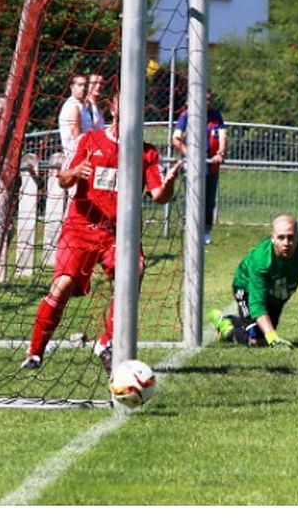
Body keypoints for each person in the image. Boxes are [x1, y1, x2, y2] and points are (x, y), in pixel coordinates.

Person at [21, 93, 182, 371]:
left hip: (118, 235)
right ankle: (35, 352)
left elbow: (158, 195)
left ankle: (106, 343)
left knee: (136, 269)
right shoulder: (90, 140)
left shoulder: (147, 152)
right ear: (113, 106)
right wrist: (74, 172)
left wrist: (168, 185)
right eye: (124, 103)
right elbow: (62, 180)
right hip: (80, 228)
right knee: (63, 285)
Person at [211, 214, 298, 350]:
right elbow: (257, 304)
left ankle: (234, 321)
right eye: (281, 237)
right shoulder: (261, 259)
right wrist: (272, 337)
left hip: (277, 293)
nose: (286, 243)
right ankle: (226, 327)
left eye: (290, 237)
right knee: (258, 339)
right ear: (272, 237)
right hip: (246, 287)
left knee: (265, 331)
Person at [171, 89, 226, 245]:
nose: (207, 102)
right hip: (193, 165)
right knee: (193, 196)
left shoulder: (216, 116)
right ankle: (190, 228)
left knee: (209, 199)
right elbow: (176, 139)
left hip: (211, 165)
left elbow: (222, 136)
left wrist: (220, 153)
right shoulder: (186, 115)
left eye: (210, 99)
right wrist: (189, 153)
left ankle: (206, 230)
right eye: (204, 99)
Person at [57, 74, 93, 162]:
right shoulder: (72, 106)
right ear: (72, 87)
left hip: (86, 154)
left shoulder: (81, 105)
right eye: (80, 85)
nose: (83, 88)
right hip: (77, 158)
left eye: (85, 85)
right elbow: (78, 138)